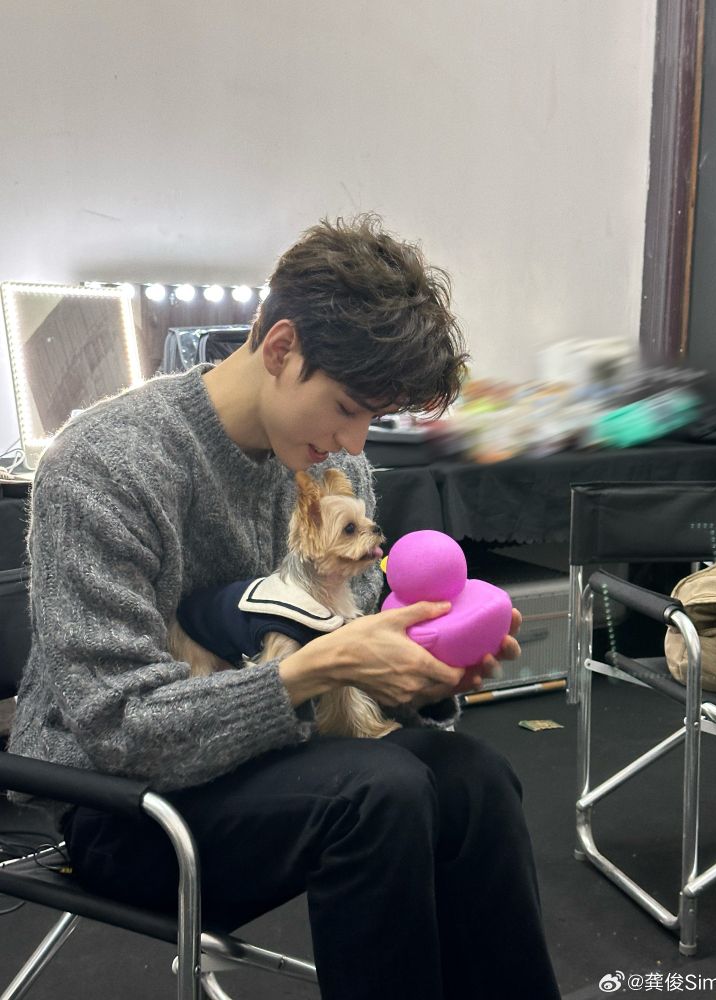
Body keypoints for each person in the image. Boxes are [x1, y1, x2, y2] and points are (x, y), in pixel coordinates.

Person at [9, 215, 561, 999]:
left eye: (376, 417)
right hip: (121, 805)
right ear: (279, 350)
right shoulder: (106, 465)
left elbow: (350, 691)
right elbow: (122, 727)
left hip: (279, 761)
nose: (358, 444)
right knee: (380, 795)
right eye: (347, 408)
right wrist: (315, 668)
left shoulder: (334, 475)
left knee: (472, 777)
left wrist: (418, 678)